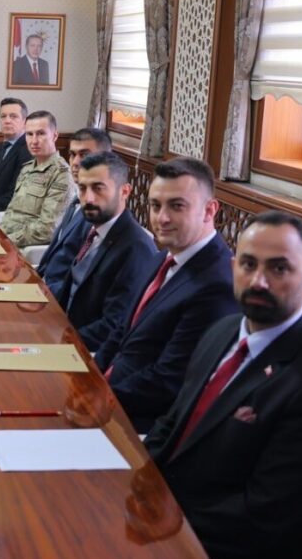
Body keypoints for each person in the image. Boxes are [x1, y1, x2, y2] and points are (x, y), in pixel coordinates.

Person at [145, 211, 302, 559]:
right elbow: (172, 425)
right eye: (248, 265)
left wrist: (161, 521)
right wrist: (131, 480)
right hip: (165, 514)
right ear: (234, 268)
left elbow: (264, 517)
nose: (259, 281)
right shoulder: (222, 330)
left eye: (279, 268)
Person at [95, 158, 239, 433]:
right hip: (109, 395)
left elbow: (169, 381)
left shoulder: (217, 284)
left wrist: (98, 397)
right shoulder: (163, 256)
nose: (162, 218)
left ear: (209, 210)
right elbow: (121, 333)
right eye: (155, 205)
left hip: (140, 423)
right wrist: (87, 376)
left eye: (177, 206)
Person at [58, 152, 156, 351]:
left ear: (124, 191)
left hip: (83, 350)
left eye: (98, 188)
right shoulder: (92, 228)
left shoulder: (136, 248)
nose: (88, 198)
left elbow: (113, 326)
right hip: (62, 328)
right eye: (82, 188)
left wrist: (59, 340)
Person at [36, 128, 111, 298]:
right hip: (42, 287)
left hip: (57, 298)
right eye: (72, 154)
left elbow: (79, 280)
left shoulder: (98, 213)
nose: (76, 162)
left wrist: (45, 293)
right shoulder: (76, 201)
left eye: (84, 155)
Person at [0, 110, 73, 248]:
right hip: (4, 238)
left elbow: (47, 229)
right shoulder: (27, 168)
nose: (34, 141)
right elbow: (12, 212)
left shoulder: (61, 174)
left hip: (20, 247)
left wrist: (4, 241)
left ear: (55, 136)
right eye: (29, 134)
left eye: (41, 133)